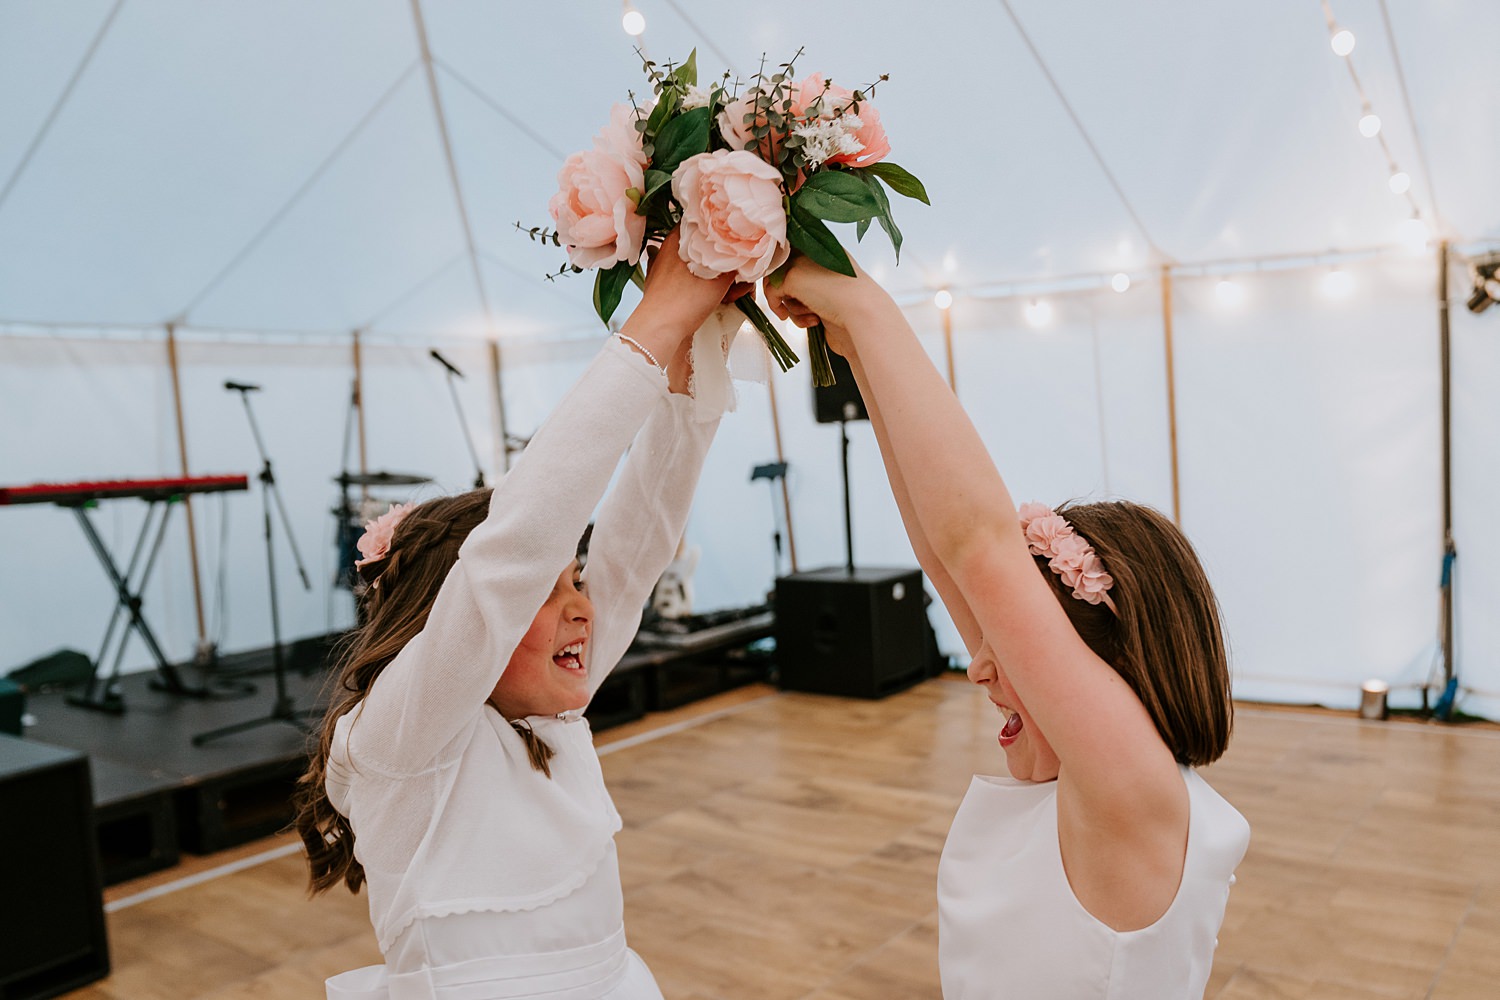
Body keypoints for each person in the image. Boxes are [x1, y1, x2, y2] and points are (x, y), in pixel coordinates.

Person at [763, 257, 1250, 998]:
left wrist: (865, 307)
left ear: (1105, 662)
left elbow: (977, 545)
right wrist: (851, 347)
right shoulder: (1099, 793)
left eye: (1014, 641)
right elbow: (945, 550)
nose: (977, 667)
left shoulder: (1135, 800)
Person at [294, 231, 743, 1000]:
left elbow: (638, 545)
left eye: (575, 580)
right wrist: (654, 320)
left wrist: (692, 368)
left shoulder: (542, 711)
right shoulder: (403, 737)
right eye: (547, 588)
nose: (582, 608)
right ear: (459, 617)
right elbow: (517, 546)